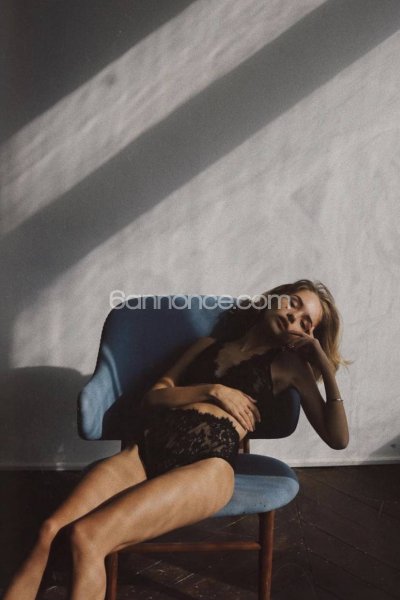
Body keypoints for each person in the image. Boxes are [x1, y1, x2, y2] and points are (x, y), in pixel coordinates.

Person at [3, 279, 349, 600]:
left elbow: (338, 439)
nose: (294, 317)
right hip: (145, 453)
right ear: (275, 298)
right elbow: (154, 397)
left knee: (87, 536)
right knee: (50, 530)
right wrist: (214, 390)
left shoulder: (290, 368)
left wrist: (323, 364)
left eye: (306, 322)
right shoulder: (207, 346)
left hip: (206, 467)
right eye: (294, 303)